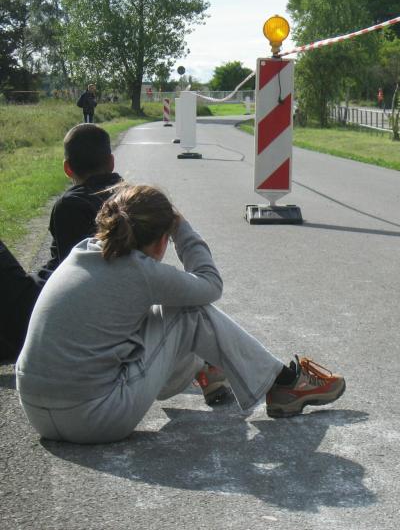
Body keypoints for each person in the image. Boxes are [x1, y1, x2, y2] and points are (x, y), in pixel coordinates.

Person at [15, 184, 346, 444]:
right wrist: (181, 227)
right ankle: (284, 383)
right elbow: (210, 285)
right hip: (94, 418)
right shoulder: (142, 272)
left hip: (36, 412)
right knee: (187, 313)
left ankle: (206, 367)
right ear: (162, 241)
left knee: (150, 317)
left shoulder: (82, 252)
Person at [0, 124, 122, 361]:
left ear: (68, 168)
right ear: (111, 162)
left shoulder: (71, 205)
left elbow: (71, 281)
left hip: (49, 313)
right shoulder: (132, 199)